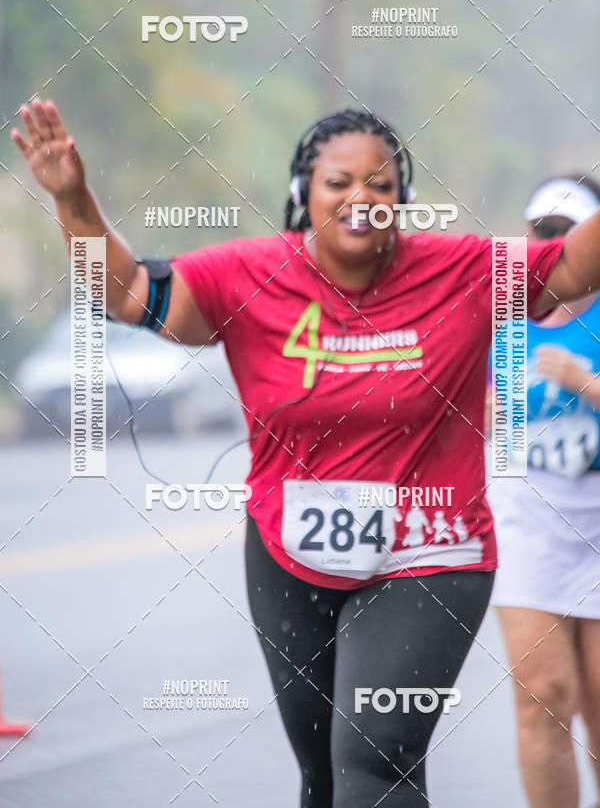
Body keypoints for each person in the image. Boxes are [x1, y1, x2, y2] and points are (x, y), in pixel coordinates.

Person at [11, 100, 600, 807]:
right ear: (303, 194)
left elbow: (570, 266)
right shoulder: (248, 275)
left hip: (430, 555)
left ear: (404, 202)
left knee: (375, 765)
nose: (362, 200)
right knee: (323, 777)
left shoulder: (463, 270)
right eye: (340, 183)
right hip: (288, 558)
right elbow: (132, 291)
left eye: (381, 187)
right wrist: (73, 199)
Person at [487, 175, 600, 808]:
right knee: (542, 697)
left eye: (568, 232)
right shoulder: (506, 316)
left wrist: (585, 383)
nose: (551, 244)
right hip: (531, 518)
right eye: (541, 231)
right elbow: (497, 432)